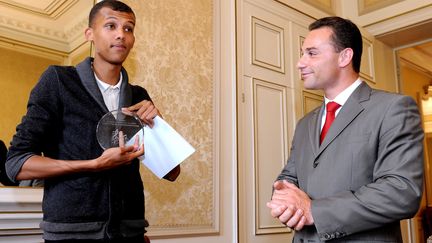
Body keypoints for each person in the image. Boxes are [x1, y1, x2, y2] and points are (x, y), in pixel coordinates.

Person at [6, 1, 179, 242]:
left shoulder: (139, 95)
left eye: (129, 28)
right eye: (111, 25)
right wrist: (93, 164)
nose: (121, 34)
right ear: (90, 34)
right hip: (72, 234)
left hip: (130, 232)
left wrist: (158, 124)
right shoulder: (58, 80)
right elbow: (16, 164)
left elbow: (172, 172)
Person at [267, 16, 424, 242]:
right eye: (302, 53)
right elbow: (288, 179)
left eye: (311, 53)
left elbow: (402, 192)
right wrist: (283, 197)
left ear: (344, 56)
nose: (300, 63)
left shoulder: (393, 108)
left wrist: (314, 211)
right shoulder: (305, 124)